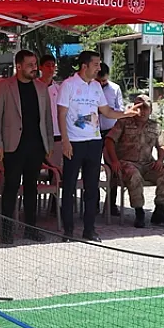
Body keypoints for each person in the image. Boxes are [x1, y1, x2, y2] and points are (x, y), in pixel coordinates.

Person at [57, 51, 135, 242]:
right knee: (69, 187)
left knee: (91, 189)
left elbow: (106, 111)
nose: (99, 68)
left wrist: (127, 113)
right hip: (74, 142)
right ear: (85, 66)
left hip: (93, 142)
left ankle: (89, 230)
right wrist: (65, 141)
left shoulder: (96, 87)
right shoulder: (68, 85)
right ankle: (68, 231)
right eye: (96, 64)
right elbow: (61, 114)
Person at [0, 49, 53, 240]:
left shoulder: (42, 88)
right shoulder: (4, 86)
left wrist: (48, 145)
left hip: (36, 146)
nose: (34, 68)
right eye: (30, 65)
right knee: (11, 187)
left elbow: (47, 119)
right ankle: (7, 230)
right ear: (18, 66)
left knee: (31, 188)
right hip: (12, 145)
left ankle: (30, 228)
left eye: (35, 64)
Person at [104, 94, 164, 228]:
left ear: (150, 110)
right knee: (134, 175)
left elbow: (161, 145)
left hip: (147, 163)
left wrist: (160, 160)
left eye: (145, 108)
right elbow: (109, 141)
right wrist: (114, 161)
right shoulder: (124, 122)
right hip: (127, 163)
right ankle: (139, 212)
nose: (142, 111)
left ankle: (160, 211)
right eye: (139, 107)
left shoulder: (155, 126)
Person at [96, 63, 126, 214]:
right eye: (99, 81)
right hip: (93, 132)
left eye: (104, 81)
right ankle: (92, 203)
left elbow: (120, 109)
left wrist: (106, 111)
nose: (102, 84)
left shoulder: (114, 88)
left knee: (113, 166)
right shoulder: (89, 88)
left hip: (110, 131)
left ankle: (111, 204)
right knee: (92, 168)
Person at [39, 54, 62, 144]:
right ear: (40, 67)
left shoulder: (59, 89)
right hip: (40, 133)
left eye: (53, 66)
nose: (51, 69)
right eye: (48, 66)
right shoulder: (34, 87)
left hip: (57, 132)